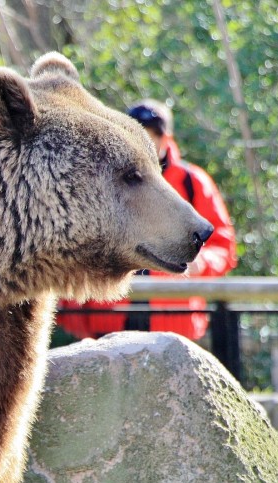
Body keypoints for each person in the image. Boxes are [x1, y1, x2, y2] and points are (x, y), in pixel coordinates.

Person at [57, 99, 238, 340]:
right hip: (108, 327)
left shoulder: (193, 182)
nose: (149, 140)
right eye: (141, 132)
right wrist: (77, 320)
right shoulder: (98, 178)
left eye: (155, 133)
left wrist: (200, 263)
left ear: (167, 137)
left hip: (175, 331)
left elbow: (223, 245)